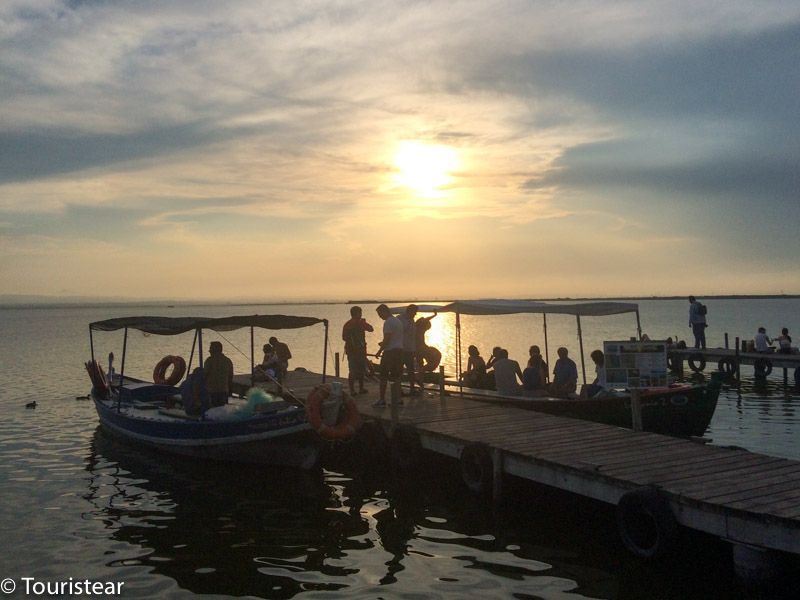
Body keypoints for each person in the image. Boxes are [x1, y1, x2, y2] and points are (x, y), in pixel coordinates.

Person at [374, 304, 404, 407]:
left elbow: (387, 339)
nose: (379, 316)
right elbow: (395, 337)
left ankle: (382, 399)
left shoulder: (388, 322)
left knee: (383, 376)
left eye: (379, 314)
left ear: (384, 311)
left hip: (390, 352)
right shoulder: (398, 321)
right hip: (399, 351)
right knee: (396, 376)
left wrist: (379, 350)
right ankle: (398, 399)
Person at [342, 305, 374, 395]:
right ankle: (358, 389)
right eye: (360, 313)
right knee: (357, 370)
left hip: (354, 351)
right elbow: (371, 329)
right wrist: (363, 323)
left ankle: (355, 389)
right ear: (356, 313)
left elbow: (344, 338)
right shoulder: (358, 323)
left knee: (356, 370)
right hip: (357, 351)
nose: (361, 315)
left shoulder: (347, 324)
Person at [204, 341, 233, 408]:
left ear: (216, 350)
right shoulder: (228, 361)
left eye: (211, 349)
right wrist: (230, 391)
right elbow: (230, 378)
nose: (209, 351)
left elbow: (204, 376)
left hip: (212, 392)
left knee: (213, 410)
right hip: (224, 391)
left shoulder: (209, 360)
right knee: (222, 410)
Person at [399, 304, 420, 395]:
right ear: (409, 311)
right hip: (401, 349)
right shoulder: (400, 319)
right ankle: (398, 389)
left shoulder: (412, 320)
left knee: (411, 370)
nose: (415, 314)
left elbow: (413, 336)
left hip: (410, 349)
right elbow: (401, 330)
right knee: (399, 370)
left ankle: (412, 388)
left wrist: (414, 349)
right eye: (414, 312)